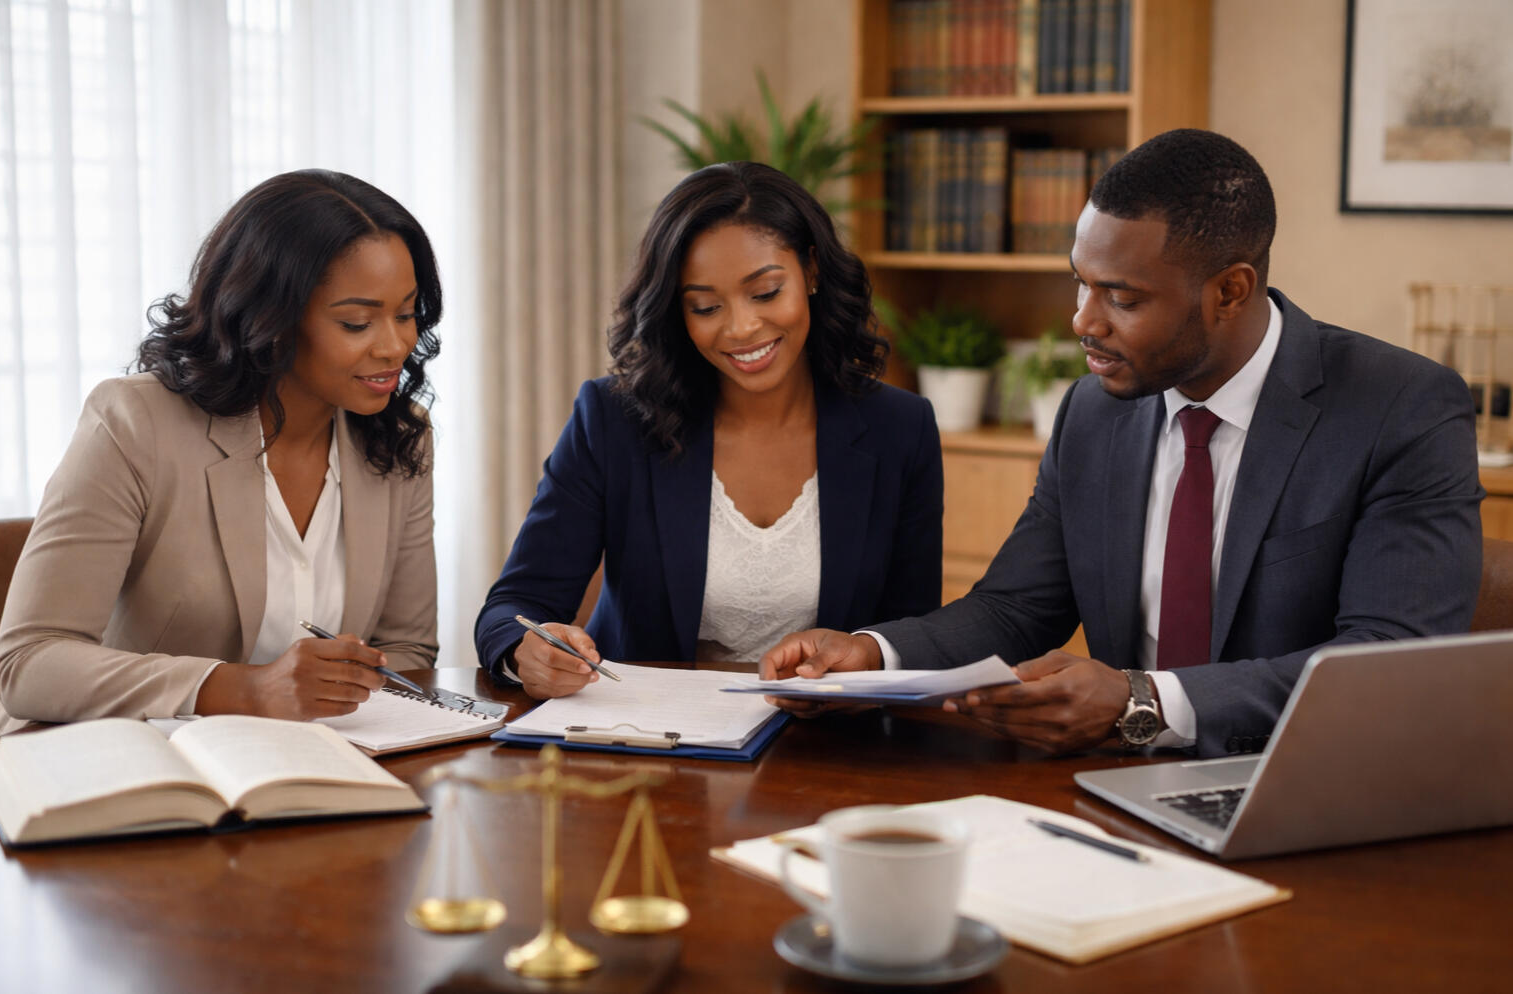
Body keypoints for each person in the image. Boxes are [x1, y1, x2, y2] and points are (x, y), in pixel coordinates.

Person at [760, 129, 1483, 758]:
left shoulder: (1400, 409)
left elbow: (1385, 661)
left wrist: (1143, 701)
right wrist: (870, 656)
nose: (1082, 321)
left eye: (1122, 298)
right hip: (1113, 789)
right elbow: (1016, 608)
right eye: (1080, 285)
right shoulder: (1091, 413)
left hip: (1308, 785)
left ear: (1230, 291)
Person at [0, 170, 443, 736]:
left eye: (405, 314)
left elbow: (405, 651)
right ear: (271, 318)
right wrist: (244, 689)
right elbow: (31, 662)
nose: (396, 345)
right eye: (357, 322)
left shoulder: (400, 437)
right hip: (115, 758)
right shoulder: (135, 423)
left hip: (310, 770)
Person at [475, 161, 943, 699]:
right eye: (706, 306)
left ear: (811, 271)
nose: (741, 327)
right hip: (643, 742)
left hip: (826, 746)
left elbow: (912, 634)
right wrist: (524, 651)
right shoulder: (612, 420)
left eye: (765, 293)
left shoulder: (900, 430)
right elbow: (514, 606)